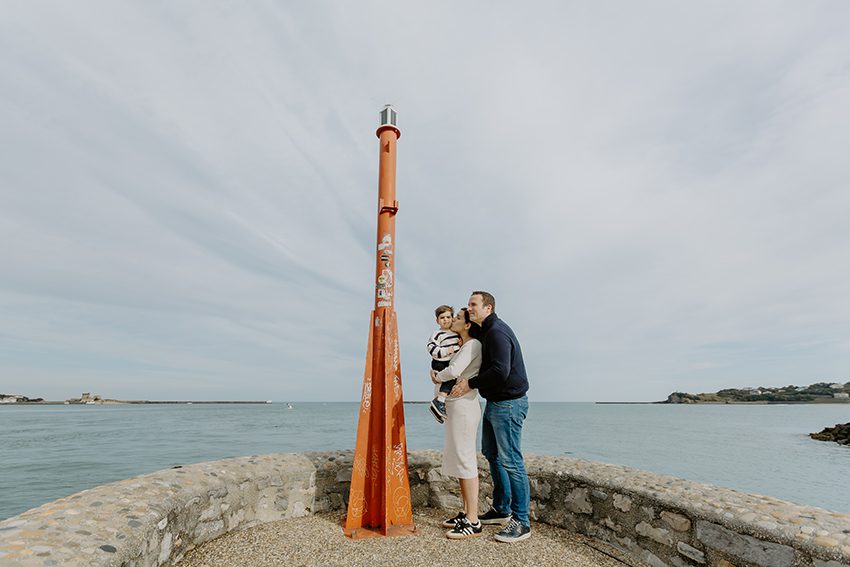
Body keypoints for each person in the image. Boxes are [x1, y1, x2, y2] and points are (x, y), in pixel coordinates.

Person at [451, 291, 531, 543]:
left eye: (474, 304)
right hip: (495, 403)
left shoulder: (496, 331)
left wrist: (470, 384)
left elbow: (500, 370)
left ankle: (522, 521)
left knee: (511, 461)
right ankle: (501, 509)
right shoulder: (484, 331)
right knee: (492, 455)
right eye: (469, 305)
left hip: (509, 404)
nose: (469, 308)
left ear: (489, 307)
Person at [431, 308, 483, 539]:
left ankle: (473, 520)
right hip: (457, 405)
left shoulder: (472, 345)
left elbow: (453, 370)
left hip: (464, 407)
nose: (453, 320)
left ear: (468, 325)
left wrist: (436, 377)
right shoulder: (462, 345)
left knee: (465, 459)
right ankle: (464, 512)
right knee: (459, 459)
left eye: (458, 318)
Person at [426, 305, 460, 423]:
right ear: (437, 321)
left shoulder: (456, 333)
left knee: (451, 382)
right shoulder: (437, 334)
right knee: (451, 378)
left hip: (449, 362)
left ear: (452, 318)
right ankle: (439, 401)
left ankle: (438, 407)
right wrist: (446, 351)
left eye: (448, 317)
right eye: (442, 318)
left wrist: (456, 347)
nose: (445, 320)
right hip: (439, 362)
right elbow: (431, 349)